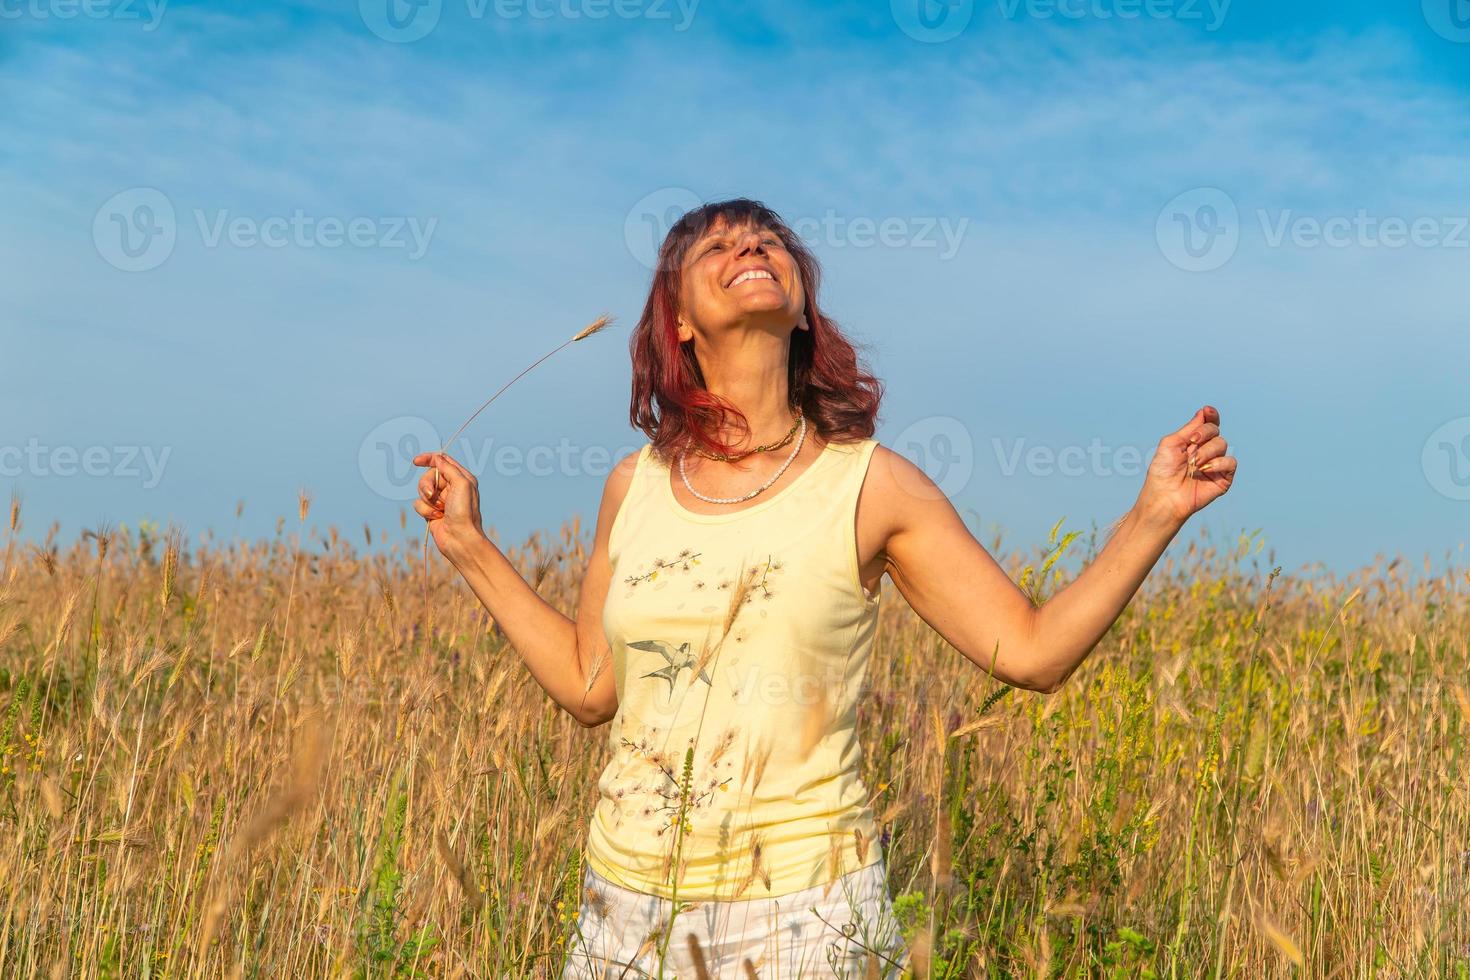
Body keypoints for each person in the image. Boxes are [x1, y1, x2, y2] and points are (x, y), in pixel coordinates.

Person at [412, 198, 1237, 978]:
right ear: (680, 323)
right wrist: (470, 547)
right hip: (622, 904)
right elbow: (592, 687)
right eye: (717, 244)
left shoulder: (871, 485)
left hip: (809, 913)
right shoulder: (637, 484)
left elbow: (1031, 651)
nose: (750, 246)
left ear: (804, 309)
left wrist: (1155, 514)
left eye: (768, 239)